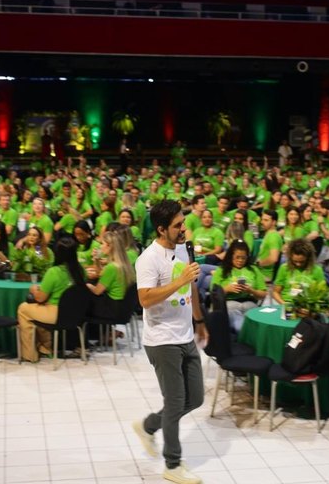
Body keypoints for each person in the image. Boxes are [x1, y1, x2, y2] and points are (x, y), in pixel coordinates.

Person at [132, 200, 206, 484]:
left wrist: (199, 322)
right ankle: (172, 465)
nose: (184, 228)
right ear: (161, 229)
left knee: (195, 398)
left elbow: (192, 288)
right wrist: (180, 281)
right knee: (175, 403)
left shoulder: (184, 249)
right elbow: (145, 299)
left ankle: (148, 426)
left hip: (185, 335)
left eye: (183, 222)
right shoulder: (148, 259)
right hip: (162, 341)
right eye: (177, 225)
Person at [17, 236, 86, 362]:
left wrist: (33, 289)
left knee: (23, 309)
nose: (32, 237)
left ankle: (30, 354)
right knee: (39, 309)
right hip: (76, 314)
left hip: (57, 313)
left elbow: (40, 298)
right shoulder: (80, 270)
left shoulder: (53, 270)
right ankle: (45, 347)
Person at [209, 239, 267, 332]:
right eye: (237, 257)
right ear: (231, 256)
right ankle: (244, 333)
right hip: (230, 304)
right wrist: (227, 289)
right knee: (239, 324)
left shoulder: (253, 269)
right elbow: (213, 293)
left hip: (249, 304)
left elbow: (264, 294)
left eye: (243, 258)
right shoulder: (222, 269)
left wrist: (251, 291)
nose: (240, 260)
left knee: (258, 324)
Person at [87, 230, 135, 320]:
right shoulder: (123, 264)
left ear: (109, 246)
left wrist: (88, 286)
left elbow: (97, 291)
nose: (100, 246)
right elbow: (102, 274)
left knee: (82, 301)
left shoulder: (111, 267)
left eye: (102, 243)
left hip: (111, 309)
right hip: (123, 307)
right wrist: (97, 259)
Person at [272, 238, 325, 305]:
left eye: (302, 262)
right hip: (287, 303)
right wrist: (284, 304)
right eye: (295, 261)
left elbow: (322, 295)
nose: (298, 264)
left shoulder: (317, 270)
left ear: (308, 258)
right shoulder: (284, 268)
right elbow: (275, 292)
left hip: (308, 305)